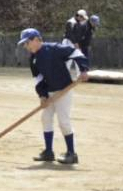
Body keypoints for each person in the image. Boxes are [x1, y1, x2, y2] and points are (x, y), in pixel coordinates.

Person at [18, 28, 89, 165]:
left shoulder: (54, 48)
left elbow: (76, 53)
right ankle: (48, 152)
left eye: (27, 43)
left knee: (63, 121)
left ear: (36, 39)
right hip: (50, 93)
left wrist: (83, 69)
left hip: (64, 90)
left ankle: (71, 153)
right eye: (24, 45)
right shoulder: (33, 58)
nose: (25, 47)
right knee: (45, 118)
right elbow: (38, 79)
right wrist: (43, 96)